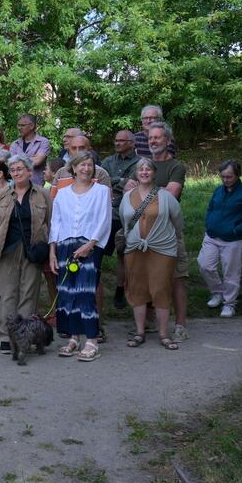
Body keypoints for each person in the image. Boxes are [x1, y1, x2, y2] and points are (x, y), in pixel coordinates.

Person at [48, 152, 111, 361]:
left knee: (85, 293)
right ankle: (73, 338)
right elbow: (55, 223)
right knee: (67, 293)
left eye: (89, 165)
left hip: (89, 247)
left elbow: (104, 220)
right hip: (65, 247)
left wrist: (90, 244)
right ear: (73, 168)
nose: (86, 168)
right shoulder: (63, 194)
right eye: (82, 165)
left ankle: (92, 340)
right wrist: (52, 253)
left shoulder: (101, 191)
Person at [0, 157, 51, 351]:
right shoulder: (3, 195)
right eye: (13, 169)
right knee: (4, 293)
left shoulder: (42, 194)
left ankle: (24, 336)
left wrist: (50, 250)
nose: (16, 172)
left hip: (33, 250)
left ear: (30, 171)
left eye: (20, 169)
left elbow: (51, 222)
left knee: (28, 294)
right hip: (5, 249)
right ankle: (5, 336)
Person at [120, 158, 184, 350]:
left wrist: (166, 238)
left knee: (161, 289)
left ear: (154, 173)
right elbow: (124, 221)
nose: (145, 172)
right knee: (137, 289)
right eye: (141, 169)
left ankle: (164, 333)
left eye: (148, 169)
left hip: (162, 249)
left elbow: (178, 221)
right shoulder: (127, 196)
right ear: (136, 173)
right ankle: (140, 332)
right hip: (135, 249)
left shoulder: (166, 196)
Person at [141, 122, 190, 339]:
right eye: (150, 138)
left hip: (169, 232)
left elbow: (170, 195)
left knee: (176, 278)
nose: (153, 141)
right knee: (147, 278)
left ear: (168, 141)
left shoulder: (176, 167)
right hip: (145, 232)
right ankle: (151, 321)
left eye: (157, 138)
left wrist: (145, 190)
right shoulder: (144, 165)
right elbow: (130, 191)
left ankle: (180, 325)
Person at [199, 159, 242, 318]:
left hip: (233, 240)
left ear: (238, 175)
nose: (225, 180)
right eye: (223, 176)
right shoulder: (218, 190)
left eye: (229, 177)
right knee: (204, 265)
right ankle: (217, 292)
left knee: (231, 273)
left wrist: (236, 229)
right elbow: (210, 208)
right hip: (212, 235)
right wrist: (208, 223)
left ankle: (229, 304)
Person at [101, 130, 141, 309]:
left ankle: (120, 290)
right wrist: (120, 180)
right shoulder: (109, 160)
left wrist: (113, 181)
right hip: (104, 211)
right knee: (97, 252)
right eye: (116, 140)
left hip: (124, 211)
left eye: (122, 141)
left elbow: (134, 183)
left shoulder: (139, 163)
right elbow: (101, 180)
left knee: (123, 254)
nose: (117, 144)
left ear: (132, 143)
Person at [8, 113, 50, 187]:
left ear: (31, 126)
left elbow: (37, 161)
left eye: (22, 125)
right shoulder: (15, 144)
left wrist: (17, 160)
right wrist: (31, 159)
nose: (19, 128)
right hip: (17, 187)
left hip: (36, 187)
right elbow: (11, 164)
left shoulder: (43, 142)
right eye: (18, 125)